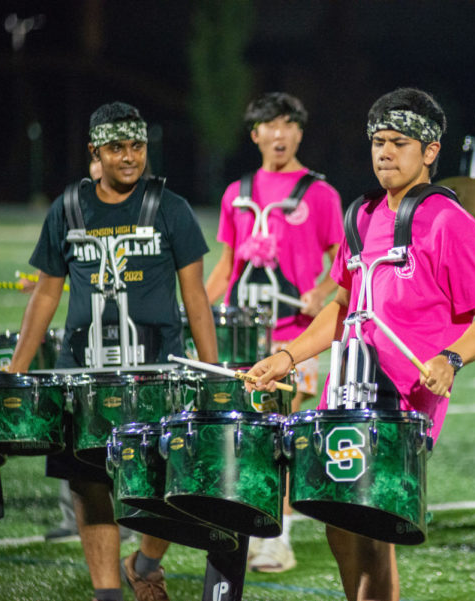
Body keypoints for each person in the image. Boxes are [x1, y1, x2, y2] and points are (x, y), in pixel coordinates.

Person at [245, 87, 475, 601]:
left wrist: (451, 358)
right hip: (345, 391)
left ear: (431, 150)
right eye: (378, 141)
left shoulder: (450, 222)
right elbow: (343, 307)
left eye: (399, 142)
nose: (384, 152)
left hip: (402, 401)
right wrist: (286, 356)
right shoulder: (360, 216)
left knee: (372, 526)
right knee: (340, 523)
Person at [10, 101, 217, 601]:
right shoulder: (69, 207)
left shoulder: (171, 207)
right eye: (117, 147)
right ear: (95, 152)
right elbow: (45, 292)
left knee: (170, 481)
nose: (129, 157)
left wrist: (211, 371)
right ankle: (108, 594)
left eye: (137, 146)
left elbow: (195, 297)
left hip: (158, 370)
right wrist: (17, 369)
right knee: (90, 484)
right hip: (83, 373)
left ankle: (144, 561)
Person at [204, 92, 344, 572]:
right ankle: (253, 524)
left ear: (300, 133)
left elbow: (341, 266)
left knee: (283, 433)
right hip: (244, 339)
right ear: (255, 134)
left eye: (289, 125)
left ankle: (278, 535)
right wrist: (199, 310)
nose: (280, 133)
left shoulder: (320, 194)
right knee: (250, 434)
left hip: (296, 336)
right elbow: (227, 265)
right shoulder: (236, 192)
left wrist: (320, 292)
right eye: (270, 125)